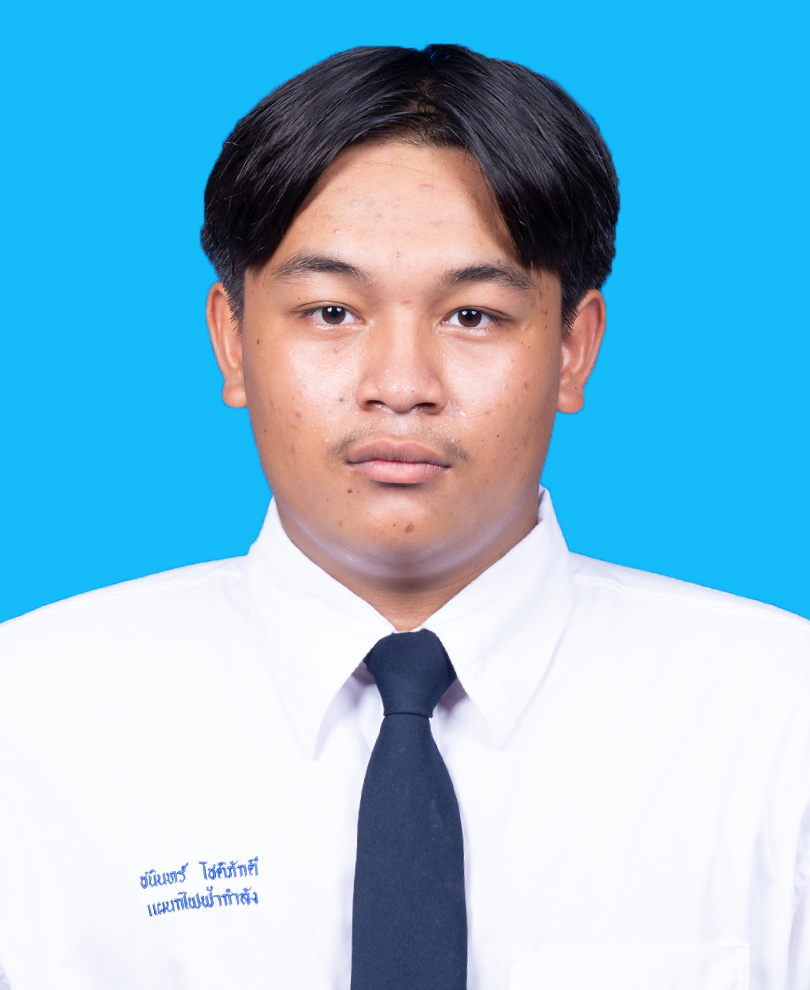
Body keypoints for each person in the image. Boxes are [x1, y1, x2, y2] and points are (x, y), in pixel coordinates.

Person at [0, 43, 807, 990]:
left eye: (473, 316)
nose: (400, 384)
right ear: (232, 340)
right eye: (331, 312)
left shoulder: (778, 720)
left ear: (574, 348)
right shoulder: (34, 719)